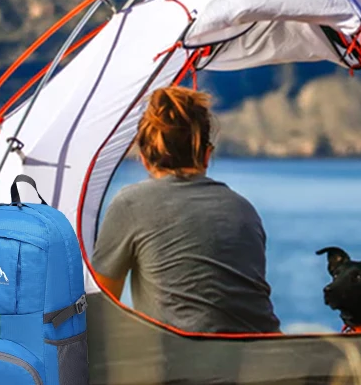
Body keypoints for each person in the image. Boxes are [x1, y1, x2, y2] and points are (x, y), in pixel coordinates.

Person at [92, 86, 281, 334]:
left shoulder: (131, 204)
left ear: (145, 158)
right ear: (206, 155)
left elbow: (103, 306)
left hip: (182, 364)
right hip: (268, 358)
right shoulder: (243, 209)